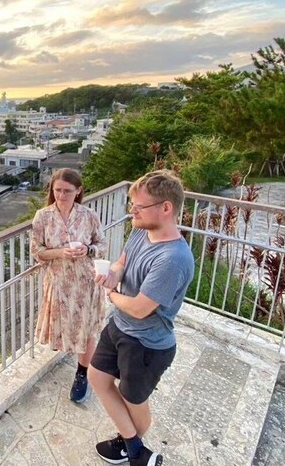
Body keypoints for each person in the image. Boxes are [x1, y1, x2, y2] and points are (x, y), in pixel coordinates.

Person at [89, 170, 195, 466]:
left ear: (166, 208)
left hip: (147, 342)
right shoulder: (140, 229)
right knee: (97, 377)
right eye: (131, 205)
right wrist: (113, 274)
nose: (131, 212)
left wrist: (109, 295)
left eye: (139, 206)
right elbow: (123, 261)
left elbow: (139, 308)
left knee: (133, 399)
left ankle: (131, 448)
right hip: (119, 326)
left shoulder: (173, 258)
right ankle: (135, 448)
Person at [30, 168, 108, 402]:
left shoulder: (89, 215)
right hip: (58, 282)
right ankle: (77, 362)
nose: (61, 195)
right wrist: (60, 252)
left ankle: (82, 373)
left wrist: (88, 249)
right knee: (63, 327)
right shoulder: (42, 216)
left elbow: (102, 244)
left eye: (67, 191)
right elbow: (36, 251)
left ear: (78, 191)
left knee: (86, 330)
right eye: (57, 190)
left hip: (85, 281)